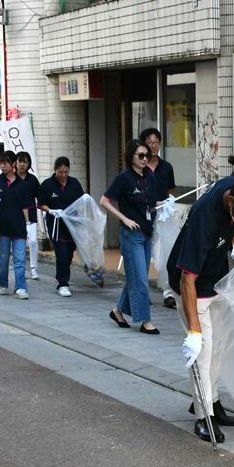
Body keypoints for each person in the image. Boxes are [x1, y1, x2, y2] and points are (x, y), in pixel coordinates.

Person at [167, 175, 234, 443]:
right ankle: (204, 416)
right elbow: (186, 278)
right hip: (193, 286)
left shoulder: (233, 187)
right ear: (232, 202)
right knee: (203, 350)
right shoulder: (204, 218)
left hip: (216, 280)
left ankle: (210, 402)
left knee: (221, 346)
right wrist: (193, 331)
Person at [102, 140, 160, 334]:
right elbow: (104, 201)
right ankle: (145, 320)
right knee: (141, 280)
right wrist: (124, 219)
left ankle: (118, 310)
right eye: (140, 156)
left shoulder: (149, 176)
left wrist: (165, 205)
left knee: (137, 276)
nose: (144, 159)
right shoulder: (124, 178)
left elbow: (151, 202)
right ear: (131, 157)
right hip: (131, 234)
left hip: (147, 232)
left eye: (147, 156)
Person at [141, 128, 178, 309]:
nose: (153, 145)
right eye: (150, 142)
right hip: (145, 214)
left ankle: (168, 292)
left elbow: (171, 190)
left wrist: (168, 204)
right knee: (146, 253)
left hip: (164, 214)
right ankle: (142, 292)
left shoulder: (167, 167)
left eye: (156, 142)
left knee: (167, 252)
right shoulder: (139, 168)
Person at [0, 151, 33, 299]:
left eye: (5, 162)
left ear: (13, 163)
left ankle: (20, 287)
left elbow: (25, 206)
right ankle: (2, 283)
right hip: (1, 227)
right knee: (3, 258)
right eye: (0, 163)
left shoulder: (23, 185)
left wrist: (28, 225)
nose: (2, 166)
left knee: (20, 259)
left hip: (18, 227)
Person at [39, 156, 85, 297]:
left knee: (69, 254)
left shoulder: (74, 184)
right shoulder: (47, 185)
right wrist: (51, 211)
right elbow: (41, 203)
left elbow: (82, 201)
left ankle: (63, 277)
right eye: (60, 172)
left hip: (72, 225)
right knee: (61, 254)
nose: (63, 175)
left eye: (66, 172)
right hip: (56, 225)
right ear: (55, 170)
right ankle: (63, 283)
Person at [15, 151, 41, 281]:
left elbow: (40, 196)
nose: (22, 164)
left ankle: (34, 268)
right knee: (20, 243)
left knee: (33, 241)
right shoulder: (12, 178)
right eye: (20, 161)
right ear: (15, 162)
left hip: (31, 213)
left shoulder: (32, 179)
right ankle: (21, 268)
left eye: (25, 162)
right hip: (16, 214)